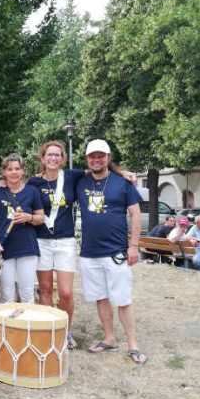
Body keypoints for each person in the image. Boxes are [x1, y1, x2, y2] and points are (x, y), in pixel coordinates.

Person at [77, 139, 147, 364]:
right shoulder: (80, 181)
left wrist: (134, 246)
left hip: (116, 252)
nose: (96, 160)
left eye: (101, 156)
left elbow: (135, 214)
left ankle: (133, 345)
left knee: (123, 299)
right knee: (100, 297)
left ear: (108, 157)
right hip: (89, 252)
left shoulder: (122, 182)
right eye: (92, 156)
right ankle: (109, 338)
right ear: (87, 159)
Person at [27, 141, 85, 350]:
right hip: (41, 240)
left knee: (66, 292)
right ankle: (48, 329)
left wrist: (123, 173)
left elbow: (99, 170)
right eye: (49, 155)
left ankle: (66, 331)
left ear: (62, 159)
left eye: (57, 155)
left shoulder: (70, 177)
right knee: (44, 289)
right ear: (42, 158)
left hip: (65, 241)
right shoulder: (33, 183)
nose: (53, 158)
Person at [0, 154, 44, 303]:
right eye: (10, 169)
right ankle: (9, 326)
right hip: (4, 248)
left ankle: (27, 325)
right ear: (4, 172)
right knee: (7, 294)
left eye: (17, 168)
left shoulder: (32, 191)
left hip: (27, 247)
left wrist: (29, 217)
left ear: (23, 170)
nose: (14, 172)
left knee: (27, 293)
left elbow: (41, 218)